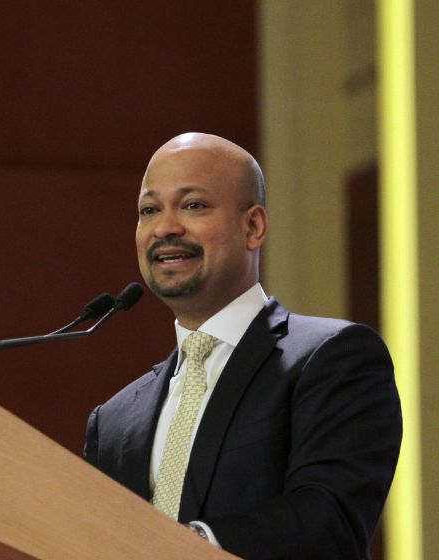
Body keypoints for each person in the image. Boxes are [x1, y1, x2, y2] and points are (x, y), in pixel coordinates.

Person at [84, 132, 402, 559]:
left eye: (193, 205)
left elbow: (329, 520)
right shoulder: (114, 422)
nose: (166, 227)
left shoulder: (332, 359)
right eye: (149, 209)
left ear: (253, 226)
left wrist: (182, 547)